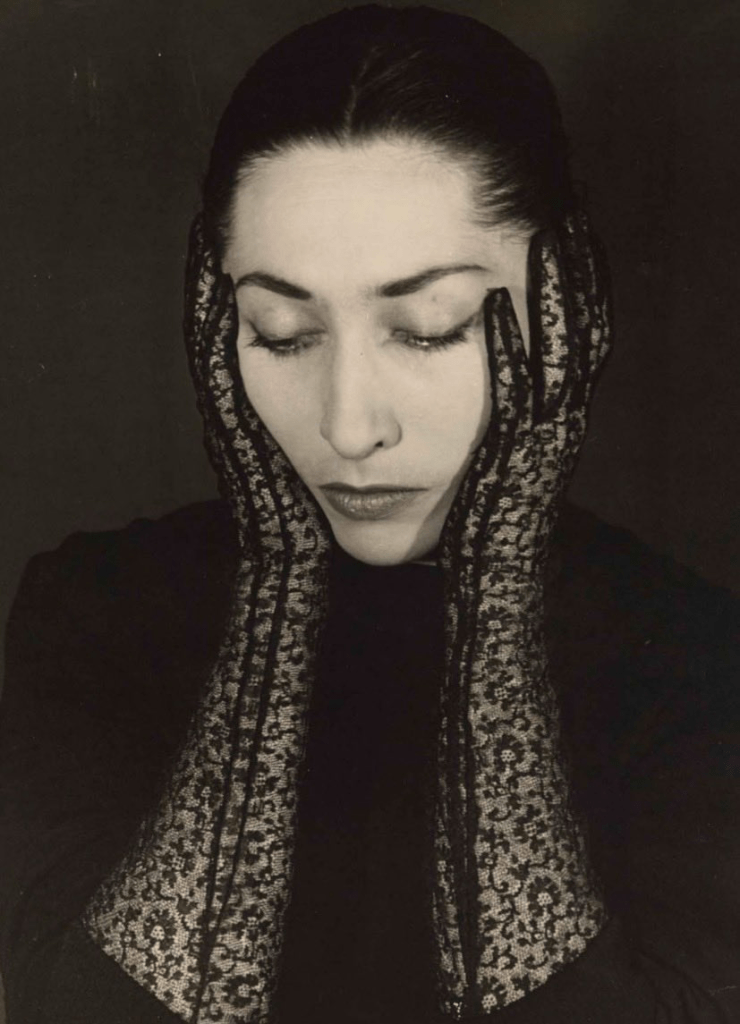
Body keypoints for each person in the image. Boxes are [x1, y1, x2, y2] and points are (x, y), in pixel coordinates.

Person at [1, 5, 739, 1023]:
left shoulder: (692, 658)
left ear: (568, 311)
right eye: (280, 331)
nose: (348, 428)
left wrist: (496, 591)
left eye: (429, 330)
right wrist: (280, 589)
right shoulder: (92, 613)